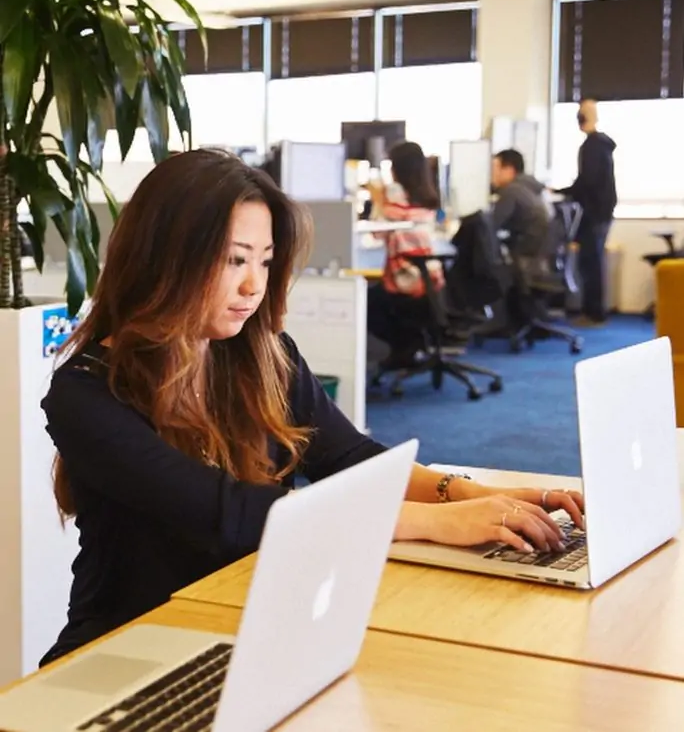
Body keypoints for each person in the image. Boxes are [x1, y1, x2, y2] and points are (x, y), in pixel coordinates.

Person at [39, 149, 583, 665]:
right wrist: (438, 522)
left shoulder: (262, 356)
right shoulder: (86, 394)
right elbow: (228, 516)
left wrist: (475, 495)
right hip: (132, 646)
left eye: (265, 261)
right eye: (233, 260)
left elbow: (349, 456)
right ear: (167, 258)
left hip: (254, 624)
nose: (254, 286)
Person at [366, 141, 443, 369]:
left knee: (366, 302)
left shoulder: (395, 197)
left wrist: (378, 200)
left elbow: (377, 233)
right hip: (430, 284)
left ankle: (405, 345)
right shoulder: (428, 198)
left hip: (406, 284)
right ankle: (409, 344)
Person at [559, 99, 617, 326]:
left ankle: (593, 313)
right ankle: (594, 312)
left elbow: (587, 183)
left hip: (594, 214)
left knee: (590, 264)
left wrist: (563, 192)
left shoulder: (592, 147)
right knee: (594, 263)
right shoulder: (601, 146)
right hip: (601, 213)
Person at [491, 149, 552, 264]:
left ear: (508, 170)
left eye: (495, 168)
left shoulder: (512, 191)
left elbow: (492, 224)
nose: (491, 173)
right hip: (540, 253)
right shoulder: (530, 186)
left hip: (526, 254)